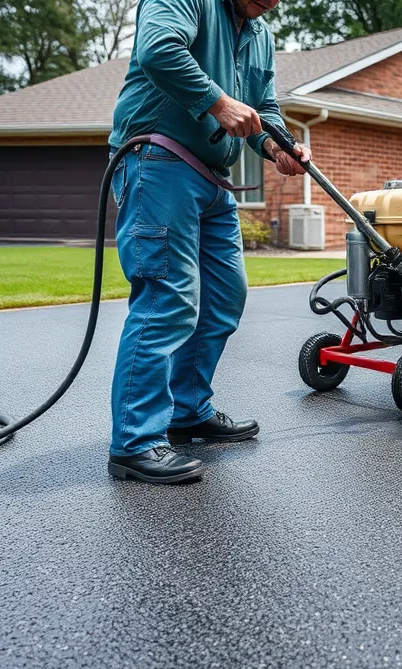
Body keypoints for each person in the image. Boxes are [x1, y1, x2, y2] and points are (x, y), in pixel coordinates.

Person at [106, 0, 309, 485]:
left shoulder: (259, 33)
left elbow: (263, 107)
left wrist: (277, 143)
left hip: (213, 177)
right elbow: (158, 50)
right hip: (158, 161)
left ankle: (187, 411)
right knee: (166, 299)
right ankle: (134, 442)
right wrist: (218, 102)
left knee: (224, 298)